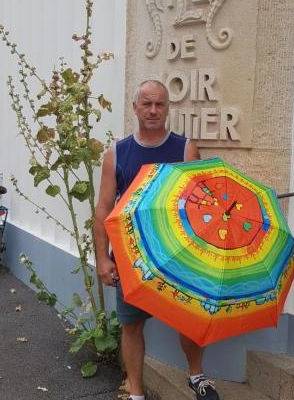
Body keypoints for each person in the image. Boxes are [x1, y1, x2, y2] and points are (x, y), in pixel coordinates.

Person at [93, 79, 220, 400]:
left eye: (159, 104)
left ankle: (196, 375)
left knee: (190, 318)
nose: (153, 110)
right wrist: (102, 258)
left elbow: (201, 204)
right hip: (131, 256)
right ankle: (136, 392)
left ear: (167, 108)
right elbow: (103, 209)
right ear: (135, 108)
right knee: (132, 325)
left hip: (179, 255)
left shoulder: (185, 150)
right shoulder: (117, 154)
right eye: (146, 104)